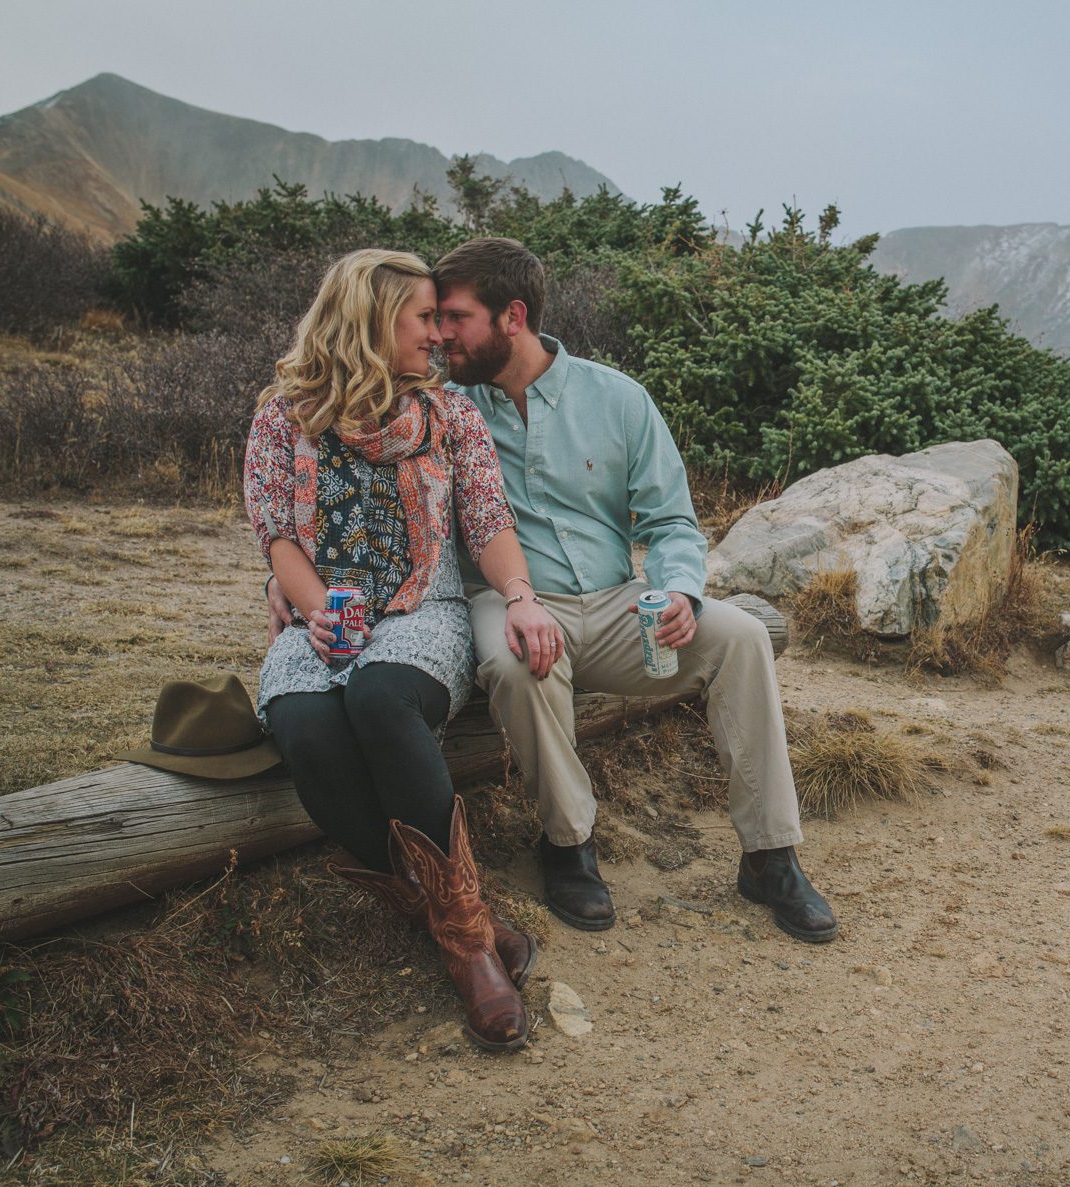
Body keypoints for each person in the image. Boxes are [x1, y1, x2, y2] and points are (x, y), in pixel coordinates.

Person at [422, 236, 836, 942]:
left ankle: (770, 854)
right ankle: (568, 844)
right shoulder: (442, 411)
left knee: (740, 636)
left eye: (456, 317)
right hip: (507, 600)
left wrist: (680, 590)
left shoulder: (617, 398)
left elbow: (673, 520)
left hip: (618, 606)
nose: (440, 334)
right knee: (519, 662)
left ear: (512, 316)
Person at [247, 248, 565, 1052]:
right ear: (371, 319)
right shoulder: (284, 414)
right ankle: (468, 922)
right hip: (323, 613)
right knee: (308, 729)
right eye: (424, 318)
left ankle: (466, 954)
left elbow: (488, 523)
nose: (438, 336)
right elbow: (280, 536)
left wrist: (521, 597)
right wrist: (317, 613)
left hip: (423, 607)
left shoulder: (450, 413)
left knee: (381, 699)